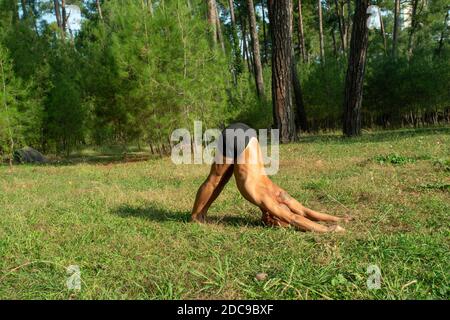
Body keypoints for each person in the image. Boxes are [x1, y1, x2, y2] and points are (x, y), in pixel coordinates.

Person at [191, 123, 351, 232]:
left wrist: (337, 219)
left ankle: (201, 213)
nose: (268, 221)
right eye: (274, 222)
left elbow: (304, 211)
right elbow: (295, 217)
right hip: (238, 138)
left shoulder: (279, 194)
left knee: (222, 179)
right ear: (276, 212)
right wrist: (330, 228)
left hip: (247, 137)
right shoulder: (269, 199)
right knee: (215, 179)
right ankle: (196, 216)